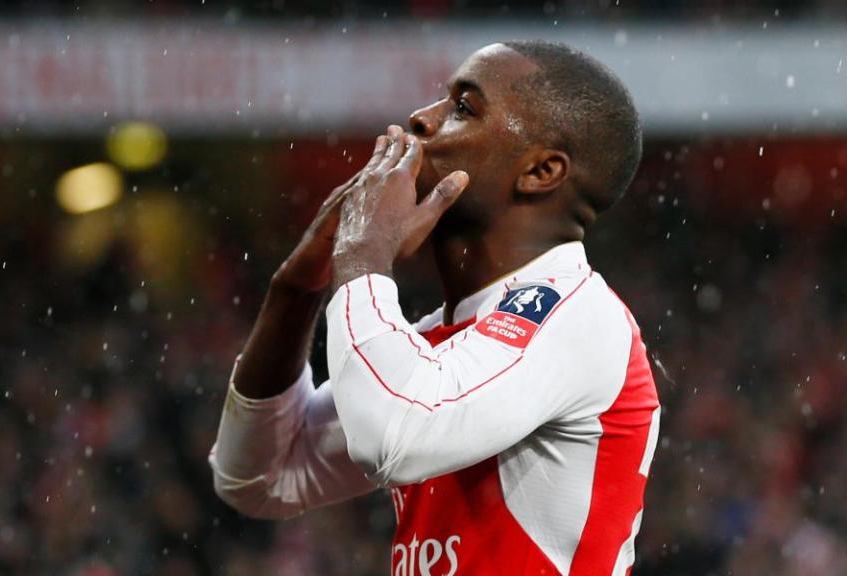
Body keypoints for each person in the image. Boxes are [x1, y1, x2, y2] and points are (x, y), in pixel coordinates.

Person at [210, 40, 660, 575]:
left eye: (463, 108)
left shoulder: (576, 314)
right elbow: (260, 477)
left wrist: (362, 255)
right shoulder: (441, 342)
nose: (421, 120)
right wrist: (296, 290)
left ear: (541, 172)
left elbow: (395, 437)